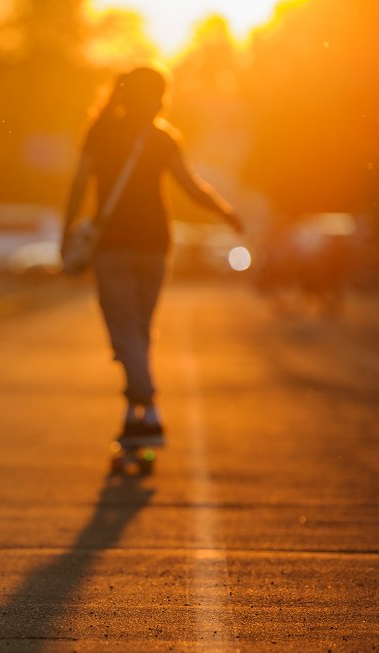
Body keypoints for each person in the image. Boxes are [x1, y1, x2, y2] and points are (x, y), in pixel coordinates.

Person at [61, 65, 244, 447]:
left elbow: (78, 186)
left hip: (113, 247)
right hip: (156, 247)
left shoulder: (100, 133)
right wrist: (226, 212)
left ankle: (151, 410)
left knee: (126, 334)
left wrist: (66, 235)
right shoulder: (162, 139)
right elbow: (192, 187)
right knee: (140, 333)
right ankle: (134, 417)